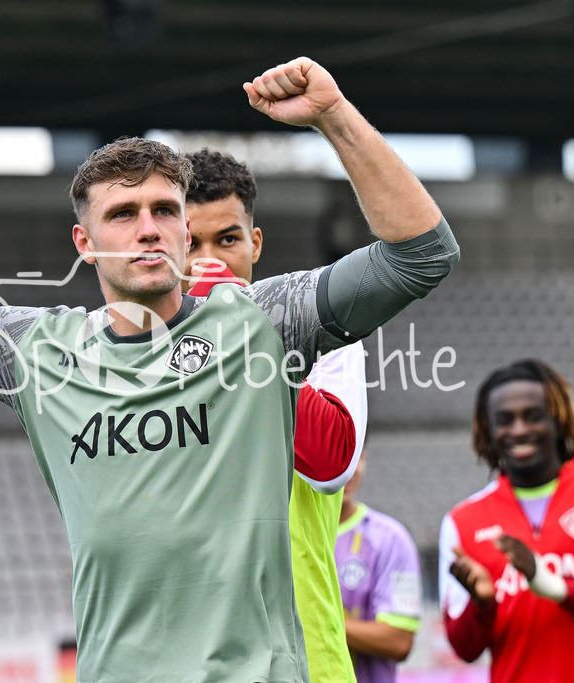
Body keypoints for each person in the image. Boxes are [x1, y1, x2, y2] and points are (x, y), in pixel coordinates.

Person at [0, 56, 459, 681]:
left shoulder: (263, 322)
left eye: (164, 210)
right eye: (123, 213)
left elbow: (422, 253)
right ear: (85, 242)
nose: (148, 227)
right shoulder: (37, 352)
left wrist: (334, 116)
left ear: (185, 231)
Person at [183, 148, 365, 682]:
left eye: (227, 240)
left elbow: (331, 465)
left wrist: (237, 326)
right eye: (190, 244)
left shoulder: (319, 327)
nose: (207, 261)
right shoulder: (135, 351)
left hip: (303, 660)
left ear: (255, 243)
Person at [439, 359, 574, 682]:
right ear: (487, 429)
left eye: (533, 416)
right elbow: (464, 648)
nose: (519, 430)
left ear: (558, 419)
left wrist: (552, 585)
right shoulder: (462, 521)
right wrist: (482, 604)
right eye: (504, 420)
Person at [336, 450, 422, 682]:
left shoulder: (392, 539)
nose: (347, 467)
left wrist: (318, 623)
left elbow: (400, 640)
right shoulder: (283, 536)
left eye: (354, 454)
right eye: (334, 452)